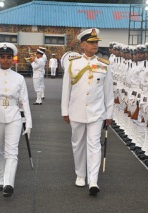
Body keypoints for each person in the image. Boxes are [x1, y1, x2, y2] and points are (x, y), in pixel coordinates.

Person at [61, 28, 114, 196]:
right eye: (91, 43)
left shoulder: (105, 65)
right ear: (83, 44)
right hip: (76, 110)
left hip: (96, 112)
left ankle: (93, 180)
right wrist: (65, 110)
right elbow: (66, 89)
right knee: (78, 145)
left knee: (94, 145)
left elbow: (108, 92)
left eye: (96, 42)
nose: (95, 45)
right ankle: (80, 174)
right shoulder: (73, 63)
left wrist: (109, 114)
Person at [0, 42, 32, 198]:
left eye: (9, 57)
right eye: (2, 57)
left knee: (12, 151)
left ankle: (9, 183)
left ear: (12, 58)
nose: (5, 60)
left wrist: (28, 122)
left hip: (14, 116)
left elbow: (24, 101)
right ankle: (1, 177)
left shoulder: (18, 78)